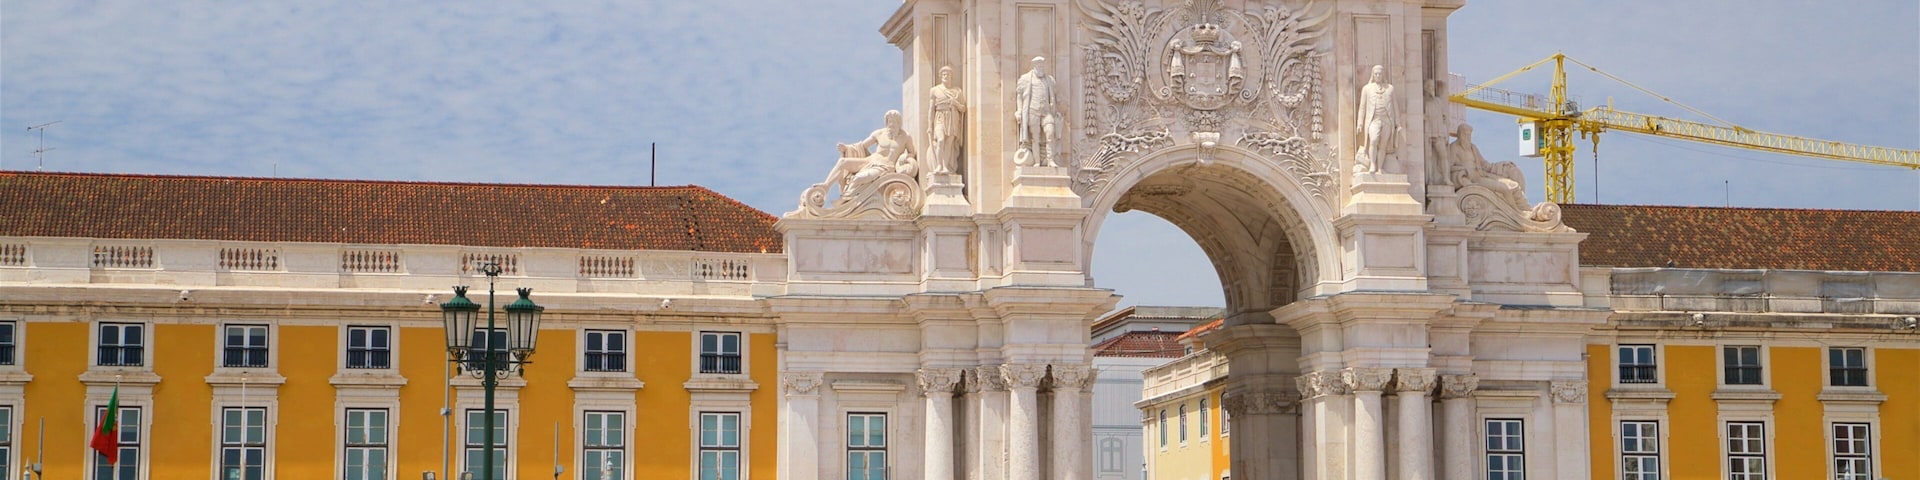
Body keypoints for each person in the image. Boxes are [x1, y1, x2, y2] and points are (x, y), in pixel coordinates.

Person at [829, 110, 919, 195]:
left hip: (885, 167)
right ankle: (825, 188)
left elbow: (912, 153)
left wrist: (906, 156)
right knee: (843, 162)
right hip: (870, 161)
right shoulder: (879, 133)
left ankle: (846, 200)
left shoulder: (905, 137)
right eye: (889, 121)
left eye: (894, 122)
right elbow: (861, 146)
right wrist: (846, 148)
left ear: (899, 123)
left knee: (858, 178)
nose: (891, 124)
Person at [1444, 124, 1530, 209]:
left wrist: (1503, 165)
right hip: (1472, 179)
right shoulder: (1454, 147)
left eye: (1469, 135)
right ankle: (1517, 213)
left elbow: (1485, 164)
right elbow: (1449, 167)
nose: (1468, 138)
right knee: (1504, 189)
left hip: (1481, 175)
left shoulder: (1472, 147)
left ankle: (1522, 210)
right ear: (1460, 134)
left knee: (1512, 184)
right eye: (1466, 135)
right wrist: (1463, 169)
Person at [1014, 56, 1061, 167]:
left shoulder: (1049, 80)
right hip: (1032, 111)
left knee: (1050, 133)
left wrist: (1056, 110)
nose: (1041, 68)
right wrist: (1019, 111)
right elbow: (1019, 96)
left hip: (1047, 112)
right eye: (1039, 66)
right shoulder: (1025, 79)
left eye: (1042, 65)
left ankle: (1050, 160)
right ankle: (1037, 161)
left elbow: (1053, 97)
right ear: (1034, 66)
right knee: (1035, 138)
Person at [1355, 65, 1399, 173]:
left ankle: (1380, 167)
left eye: (1380, 73)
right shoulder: (1367, 88)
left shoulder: (1390, 88)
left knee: (1383, 145)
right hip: (1373, 120)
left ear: (1383, 75)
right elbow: (1362, 107)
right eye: (1376, 74)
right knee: (1373, 140)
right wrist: (1360, 123)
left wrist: (1398, 123)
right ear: (1373, 75)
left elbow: (1395, 107)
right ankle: (1372, 165)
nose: (1378, 76)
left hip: (1387, 121)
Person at [927, 66, 966, 177]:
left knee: (949, 144)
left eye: (948, 74)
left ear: (951, 77)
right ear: (941, 76)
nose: (946, 76)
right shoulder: (934, 90)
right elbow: (931, 109)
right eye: (944, 74)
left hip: (953, 117)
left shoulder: (957, 91)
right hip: (940, 117)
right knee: (940, 140)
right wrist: (929, 125)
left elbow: (963, 108)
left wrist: (955, 103)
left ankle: (945, 166)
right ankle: (939, 165)